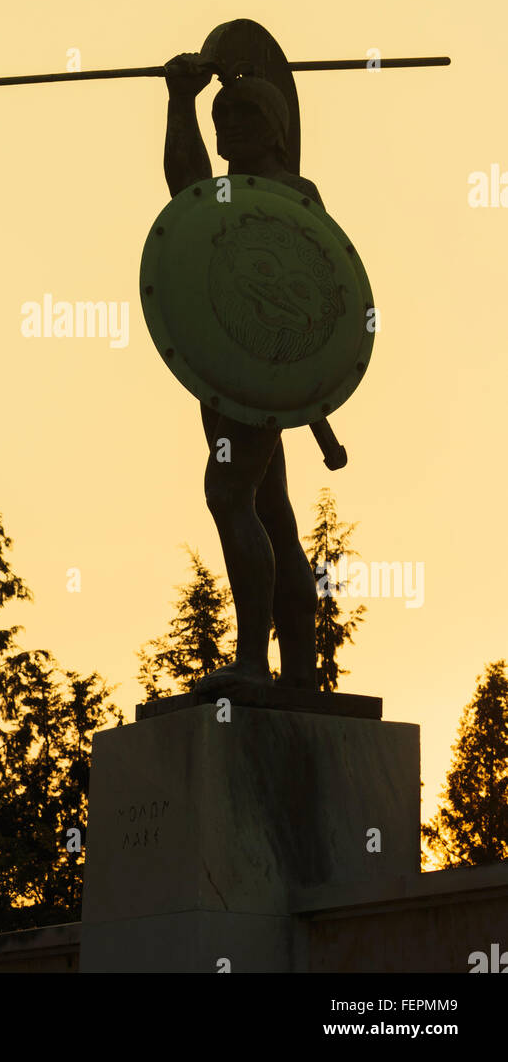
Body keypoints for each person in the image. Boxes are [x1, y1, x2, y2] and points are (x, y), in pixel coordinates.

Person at [163, 53, 323, 692]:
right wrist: (181, 102)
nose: (226, 127)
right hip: (232, 370)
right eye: (219, 116)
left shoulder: (289, 194)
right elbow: (190, 195)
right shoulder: (234, 193)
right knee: (273, 508)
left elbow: (312, 287)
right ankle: (300, 671)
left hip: (265, 370)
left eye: (241, 114)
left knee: (230, 494)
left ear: (275, 127)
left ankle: (256, 664)